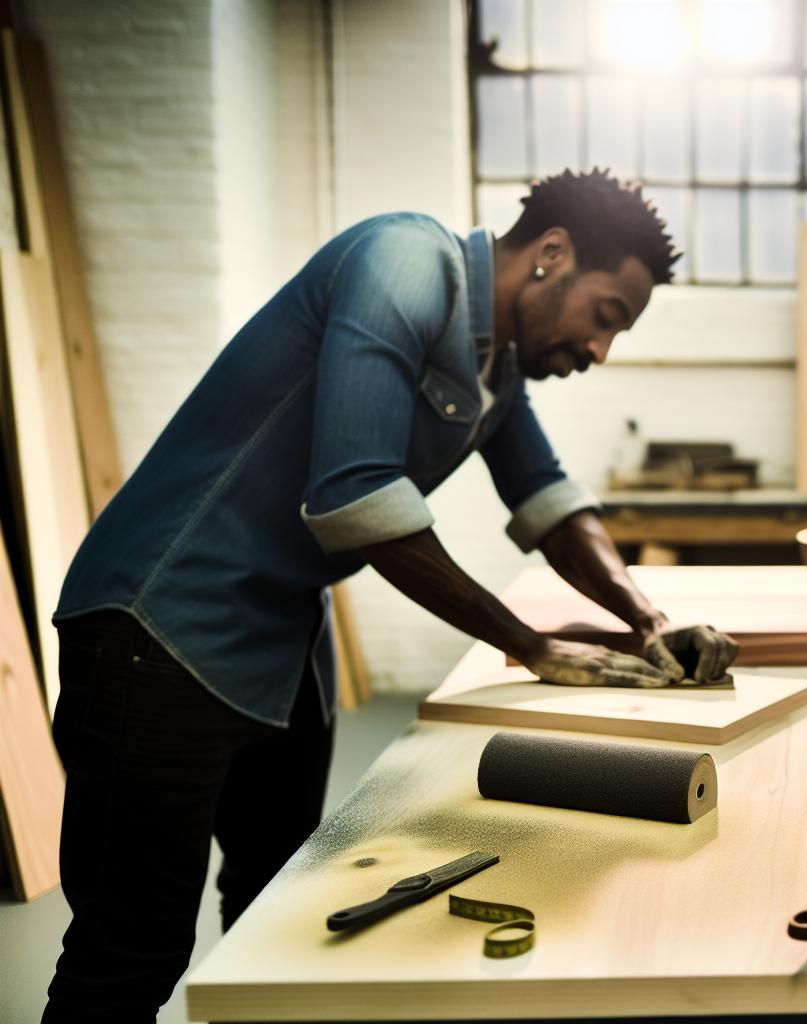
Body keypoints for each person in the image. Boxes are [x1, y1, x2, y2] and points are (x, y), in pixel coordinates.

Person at [44, 168, 740, 1022]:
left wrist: (649, 621)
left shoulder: (500, 366)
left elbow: (550, 502)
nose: (602, 353)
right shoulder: (405, 262)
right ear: (553, 256)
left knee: (276, 913)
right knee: (132, 949)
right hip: (157, 629)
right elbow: (358, 497)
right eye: (606, 318)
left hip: (276, 641)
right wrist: (533, 645)